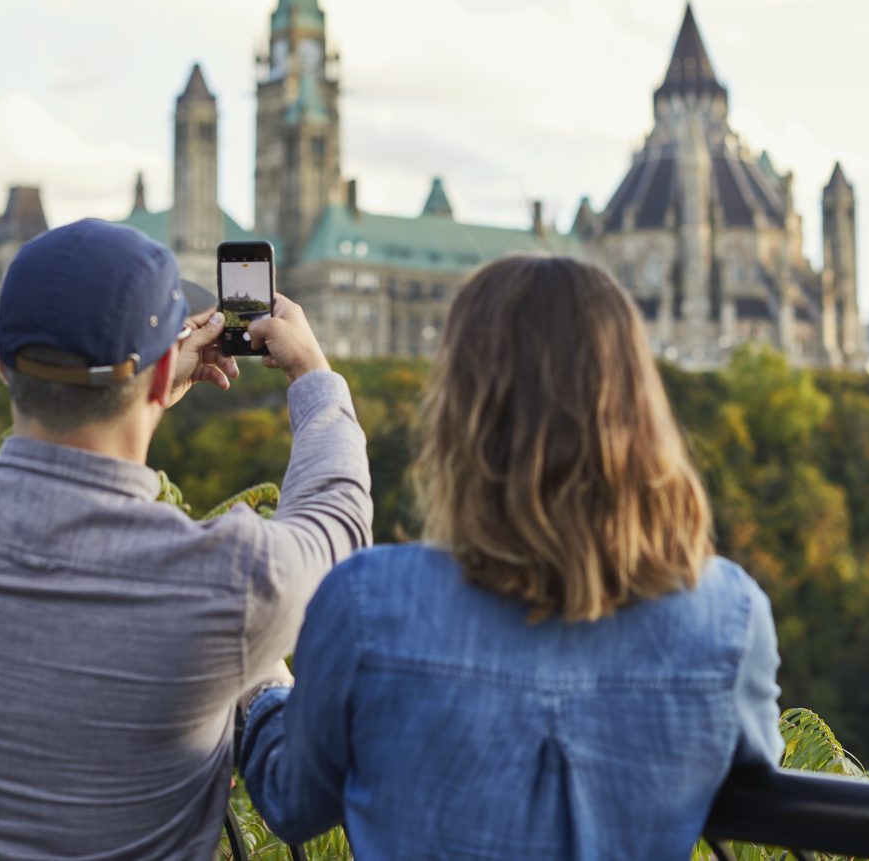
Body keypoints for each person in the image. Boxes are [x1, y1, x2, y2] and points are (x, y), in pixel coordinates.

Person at [0, 219, 372, 859]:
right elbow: (337, 520)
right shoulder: (226, 580)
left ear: (1, 364)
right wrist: (313, 374)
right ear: (156, 379)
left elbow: (17, 486)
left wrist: (136, 393)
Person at [239, 255, 783, 859]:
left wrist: (259, 677)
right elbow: (754, 764)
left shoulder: (370, 602)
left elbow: (291, 800)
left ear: (461, 412)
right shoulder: (730, 618)